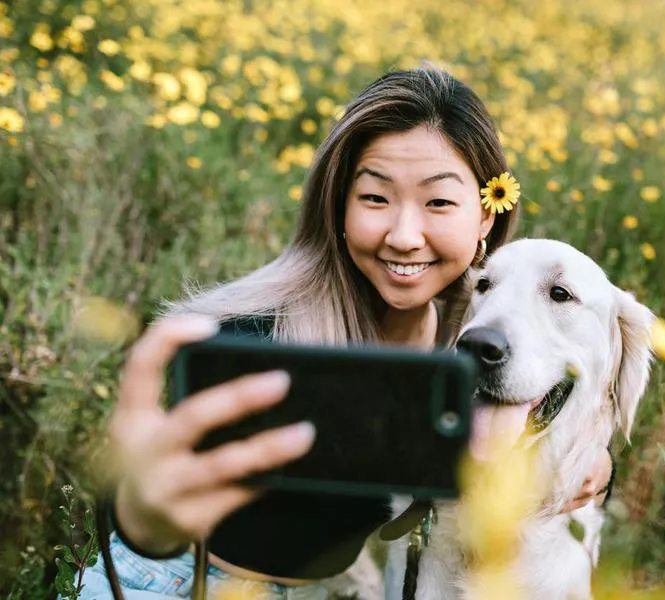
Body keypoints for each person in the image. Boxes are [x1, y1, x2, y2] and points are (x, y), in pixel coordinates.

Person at [73, 66, 614, 599]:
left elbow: (523, 430)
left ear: (485, 218)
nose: (404, 236)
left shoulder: (470, 338)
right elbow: (160, 504)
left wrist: (597, 465)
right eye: (375, 198)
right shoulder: (263, 339)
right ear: (338, 207)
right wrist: (144, 515)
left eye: (439, 202)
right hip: (173, 584)